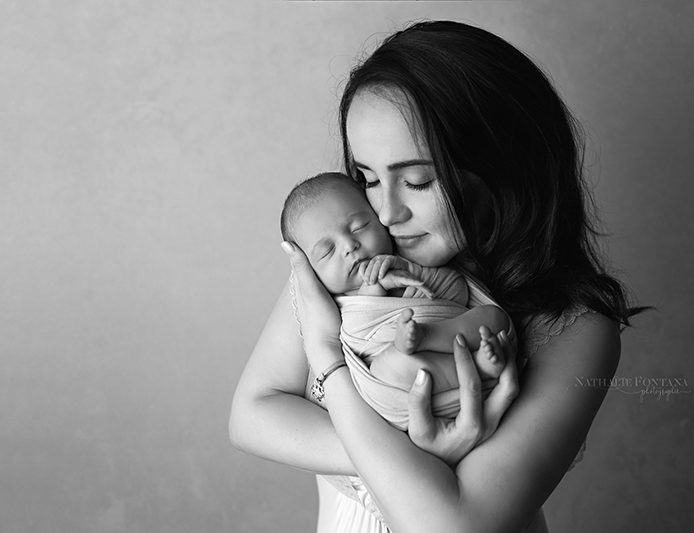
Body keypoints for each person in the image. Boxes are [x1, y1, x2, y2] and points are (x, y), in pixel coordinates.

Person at [230, 20, 644, 533]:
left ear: (501, 169)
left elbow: (452, 526)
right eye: (368, 179)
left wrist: (327, 363)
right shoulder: (351, 266)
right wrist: (417, 456)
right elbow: (251, 415)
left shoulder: (574, 329)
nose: (384, 212)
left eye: (418, 180)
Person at [280, 171, 512, 429]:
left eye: (359, 227)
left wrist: (415, 273)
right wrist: (373, 288)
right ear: (311, 271)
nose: (349, 245)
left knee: (495, 316)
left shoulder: (414, 259)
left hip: (452, 340)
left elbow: (457, 293)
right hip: (407, 391)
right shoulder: (333, 305)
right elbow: (356, 335)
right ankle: (477, 367)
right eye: (328, 251)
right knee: (390, 368)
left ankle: (435, 338)